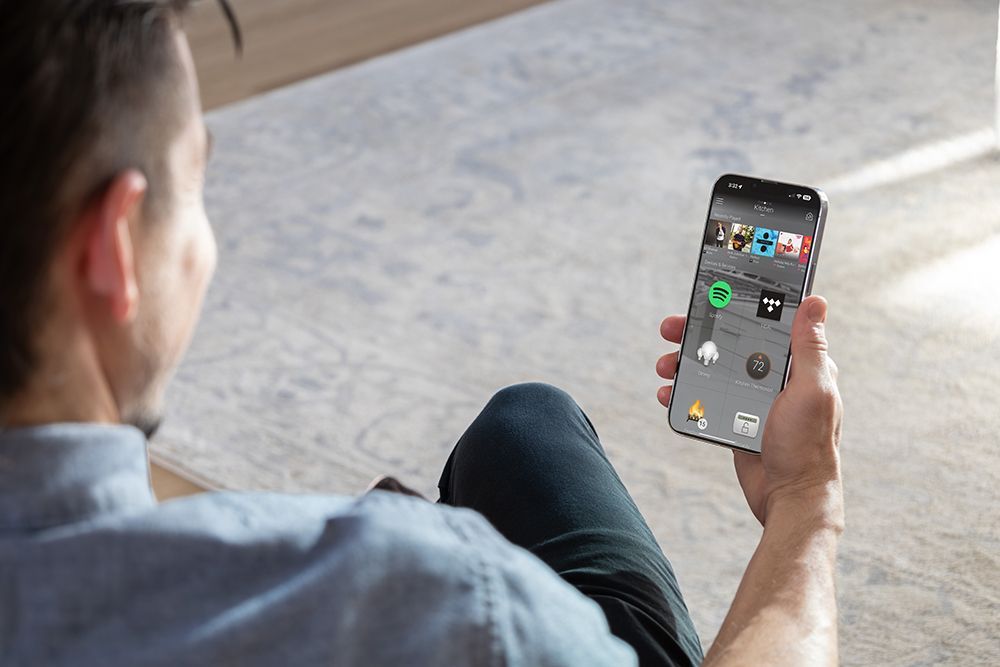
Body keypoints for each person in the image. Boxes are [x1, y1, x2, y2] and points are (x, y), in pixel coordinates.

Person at [0, 2, 844, 665]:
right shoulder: (426, 595)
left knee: (520, 426)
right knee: (528, 427)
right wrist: (804, 501)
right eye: (193, 185)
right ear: (114, 251)